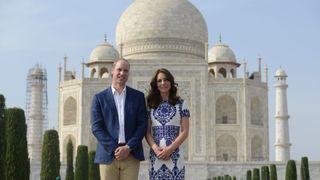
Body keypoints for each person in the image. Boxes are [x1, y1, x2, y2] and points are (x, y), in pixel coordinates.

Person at [91, 58, 148, 180]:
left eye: (125, 71)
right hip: (108, 154)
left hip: (131, 154)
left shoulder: (138, 97)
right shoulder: (100, 98)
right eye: (119, 69)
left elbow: (142, 125)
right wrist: (115, 149)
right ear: (112, 71)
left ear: (128, 73)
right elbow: (96, 128)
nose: (122, 73)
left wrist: (128, 148)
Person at [145, 68, 190, 180]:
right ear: (155, 84)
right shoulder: (150, 105)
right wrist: (155, 148)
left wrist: (170, 149)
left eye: (166, 80)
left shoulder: (181, 104)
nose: (163, 83)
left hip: (175, 154)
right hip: (156, 155)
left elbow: (185, 131)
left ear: (171, 81)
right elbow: (147, 131)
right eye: (159, 81)